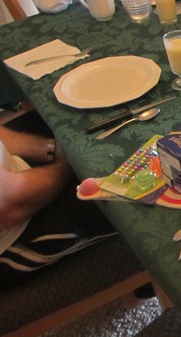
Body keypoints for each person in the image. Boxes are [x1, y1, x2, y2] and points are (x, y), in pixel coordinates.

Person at [0, 112, 116, 288]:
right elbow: (11, 202)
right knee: (124, 200)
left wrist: (52, 150)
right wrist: (72, 161)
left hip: (12, 180)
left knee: (79, 120)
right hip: (13, 230)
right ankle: (142, 289)